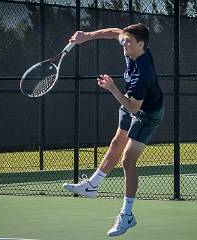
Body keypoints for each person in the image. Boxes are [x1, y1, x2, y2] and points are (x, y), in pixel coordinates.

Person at [63, 23, 164, 237]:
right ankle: (91, 186)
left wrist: (112, 88)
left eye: (128, 41)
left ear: (141, 44)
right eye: (125, 40)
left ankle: (127, 215)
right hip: (130, 102)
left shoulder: (143, 73)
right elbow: (114, 32)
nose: (124, 43)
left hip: (147, 112)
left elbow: (133, 107)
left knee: (127, 160)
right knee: (116, 143)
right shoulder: (130, 45)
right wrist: (86, 36)